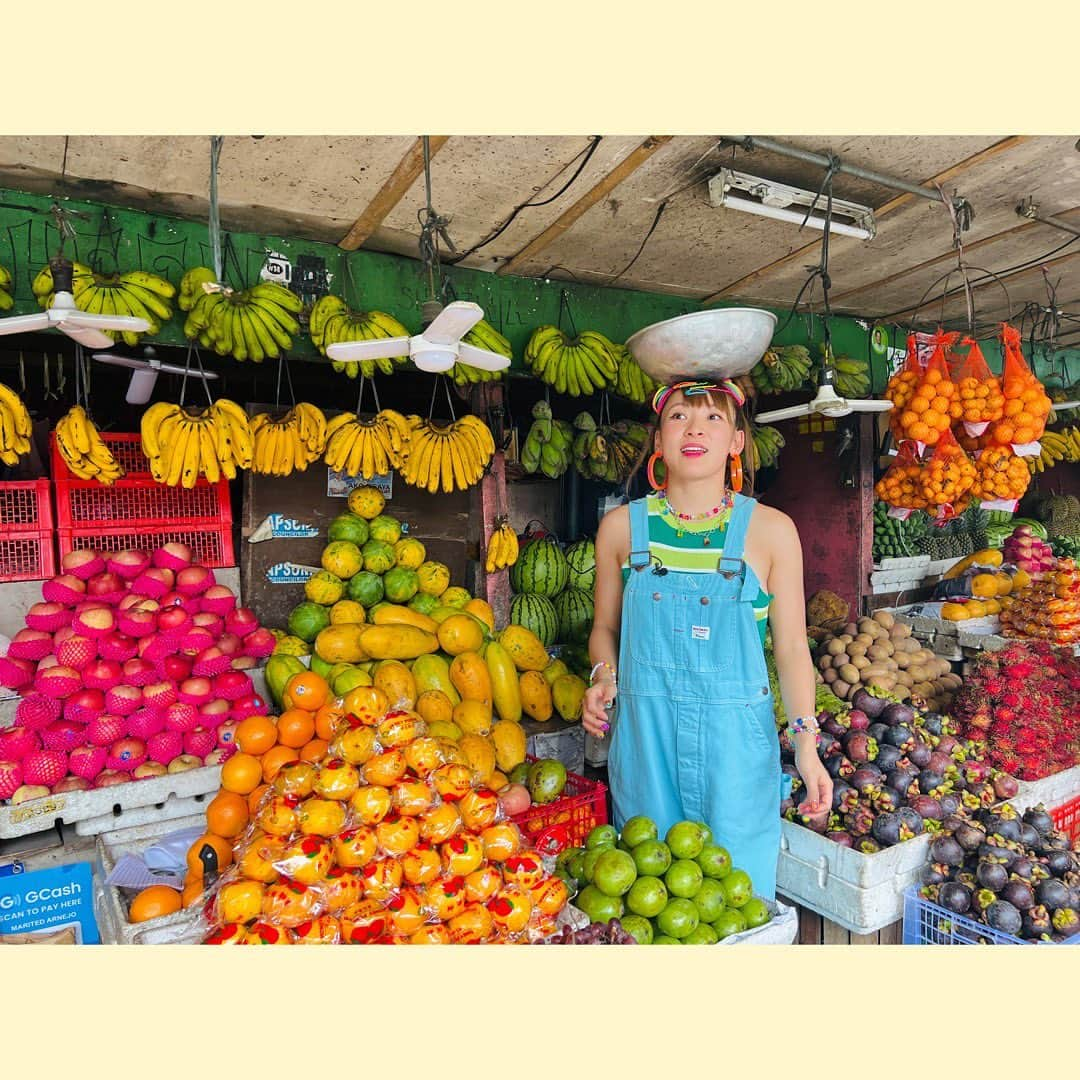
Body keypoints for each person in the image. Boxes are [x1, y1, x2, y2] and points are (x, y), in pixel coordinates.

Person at [582, 379, 832, 901]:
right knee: (647, 901)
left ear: (737, 442)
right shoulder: (620, 530)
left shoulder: (772, 531)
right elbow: (605, 629)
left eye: (713, 419)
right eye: (678, 417)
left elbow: (790, 648)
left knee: (736, 900)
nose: (694, 429)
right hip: (646, 744)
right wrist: (603, 677)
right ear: (658, 440)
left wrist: (806, 744)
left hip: (736, 753)